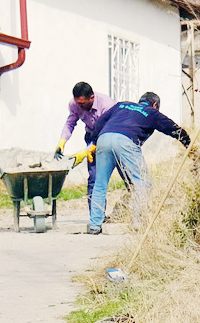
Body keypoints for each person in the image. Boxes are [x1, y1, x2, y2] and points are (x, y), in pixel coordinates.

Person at [81, 91, 192, 235]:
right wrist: (189, 144)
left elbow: (100, 122)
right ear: (155, 105)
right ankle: (138, 223)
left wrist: (94, 142)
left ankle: (95, 225)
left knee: (100, 184)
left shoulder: (121, 105)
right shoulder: (151, 112)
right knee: (143, 182)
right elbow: (173, 128)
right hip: (126, 141)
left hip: (104, 138)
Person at [56, 79, 119, 206]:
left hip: (112, 136)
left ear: (91, 97)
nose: (80, 107)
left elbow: (104, 133)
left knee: (126, 172)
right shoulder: (75, 104)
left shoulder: (107, 105)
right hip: (91, 135)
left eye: (82, 104)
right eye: (77, 103)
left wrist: (85, 152)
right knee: (94, 177)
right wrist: (62, 141)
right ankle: (96, 216)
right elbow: (70, 122)